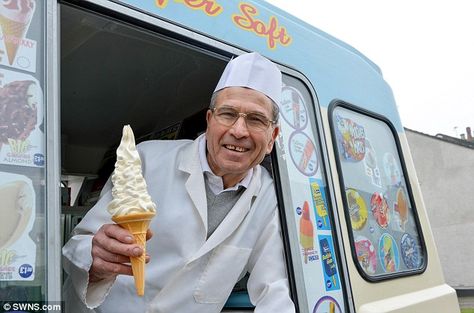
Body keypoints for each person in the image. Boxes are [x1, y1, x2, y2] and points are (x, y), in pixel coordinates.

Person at [62, 52, 296, 313]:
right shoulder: (147, 158)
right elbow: (78, 245)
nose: (239, 131)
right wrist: (95, 261)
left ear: (273, 136)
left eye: (256, 119)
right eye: (228, 114)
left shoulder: (271, 198)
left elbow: (275, 289)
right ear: (209, 121)